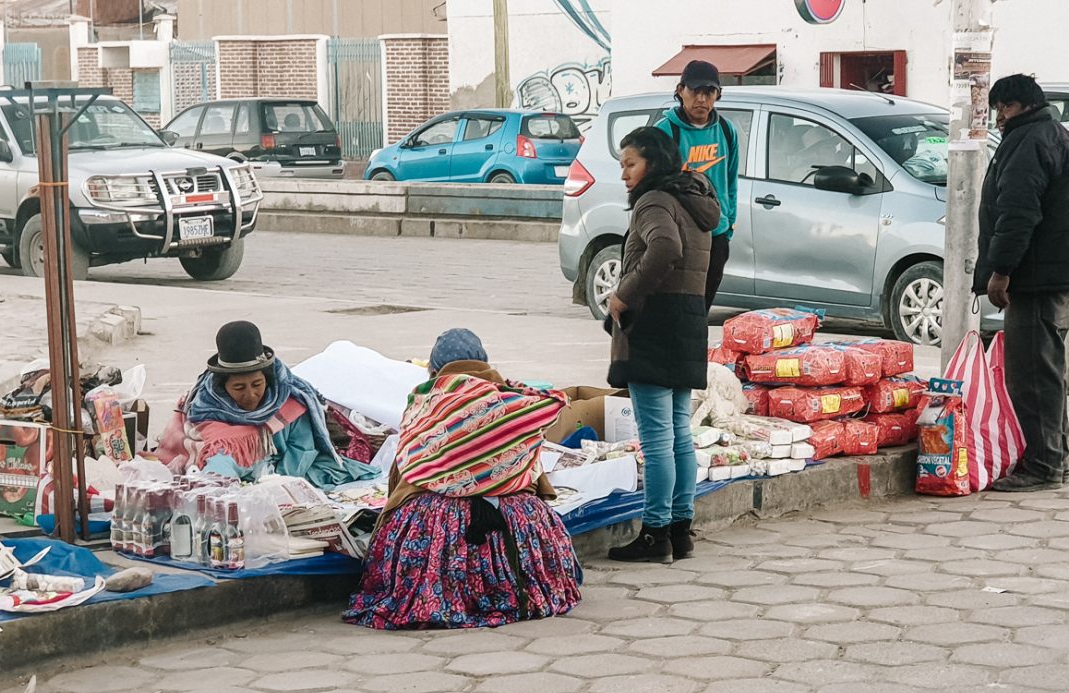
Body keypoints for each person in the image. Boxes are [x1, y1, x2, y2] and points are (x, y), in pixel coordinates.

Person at [344, 329, 581, 629]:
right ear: (485, 364)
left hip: (436, 529)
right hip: (510, 526)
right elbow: (536, 466)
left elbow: (402, 476)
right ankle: (514, 589)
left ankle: (441, 598)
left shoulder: (424, 405)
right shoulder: (514, 404)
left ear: (433, 369)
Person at [606, 127, 720, 562]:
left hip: (654, 322)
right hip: (688, 318)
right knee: (678, 436)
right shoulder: (696, 202)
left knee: (656, 439)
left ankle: (655, 534)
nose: (624, 175)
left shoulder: (655, 201)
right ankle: (680, 529)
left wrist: (624, 294)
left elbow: (664, 249)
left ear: (652, 163)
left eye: (630, 164)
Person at [973, 74, 1069, 492]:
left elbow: (1018, 212)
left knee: (1032, 373)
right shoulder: (1054, 134)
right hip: (1053, 272)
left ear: (1013, 106)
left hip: (1035, 278)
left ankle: (1043, 465)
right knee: (1050, 371)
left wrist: (1001, 269)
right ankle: (1056, 456)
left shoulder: (1029, 141)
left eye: (1000, 109)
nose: (997, 118)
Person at [156, 320, 377, 489]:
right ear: (224, 387)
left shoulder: (290, 398)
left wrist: (275, 483)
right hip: (240, 476)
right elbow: (218, 462)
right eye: (239, 388)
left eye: (257, 384)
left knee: (331, 473)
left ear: (268, 379)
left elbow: (302, 449)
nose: (251, 395)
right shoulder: (207, 407)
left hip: (285, 472)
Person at [654, 60, 738, 310]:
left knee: (703, 308)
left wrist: (728, 223)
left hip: (717, 235)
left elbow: (731, 180)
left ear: (718, 95)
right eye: (695, 91)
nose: (701, 98)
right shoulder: (665, 131)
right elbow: (654, 190)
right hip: (682, 237)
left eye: (708, 92)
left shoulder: (726, 130)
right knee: (680, 309)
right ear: (680, 91)